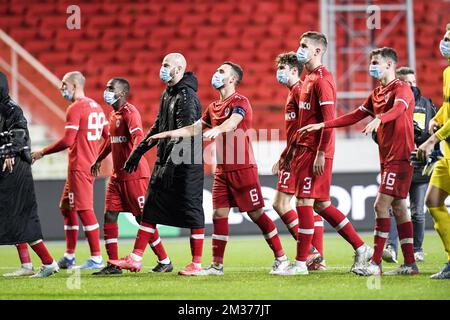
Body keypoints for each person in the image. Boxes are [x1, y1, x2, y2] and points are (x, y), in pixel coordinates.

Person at [147, 61, 289, 276]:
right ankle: (216, 266)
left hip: (242, 168)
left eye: (221, 71)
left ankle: (282, 258)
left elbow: (233, 123)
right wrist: (166, 134)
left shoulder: (241, 101)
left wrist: (218, 130)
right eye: (217, 70)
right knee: (218, 215)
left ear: (232, 79)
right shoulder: (212, 107)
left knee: (256, 213)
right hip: (221, 170)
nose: (216, 73)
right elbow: (193, 128)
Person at [300, 47, 419, 276]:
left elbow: (399, 108)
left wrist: (379, 120)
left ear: (389, 65)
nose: (371, 66)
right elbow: (355, 115)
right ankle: (410, 264)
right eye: (371, 62)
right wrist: (324, 124)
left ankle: (374, 264)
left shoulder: (401, 88)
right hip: (387, 157)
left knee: (380, 205)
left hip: (400, 155)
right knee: (399, 208)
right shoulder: (376, 93)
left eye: (375, 62)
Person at [276, 31, 372, 276]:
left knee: (304, 203)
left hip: (315, 151)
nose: (300, 49)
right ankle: (362, 248)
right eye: (300, 44)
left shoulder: (323, 80)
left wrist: (321, 153)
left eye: (304, 45)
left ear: (318, 51)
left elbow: (328, 122)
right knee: (321, 204)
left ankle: (301, 263)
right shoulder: (308, 79)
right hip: (305, 150)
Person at [109, 53, 205, 276]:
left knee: (193, 212)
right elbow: (158, 126)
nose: (161, 68)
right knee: (150, 209)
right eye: (162, 64)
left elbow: (187, 134)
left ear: (179, 68)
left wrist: (172, 164)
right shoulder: (167, 94)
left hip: (186, 164)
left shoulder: (187, 96)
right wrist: (138, 151)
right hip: (165, 161)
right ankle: (135, 258)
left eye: (166, 65)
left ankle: (197, 264)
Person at [90, 78, 172, 275]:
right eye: (107, 87)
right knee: (110, 214)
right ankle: (113, 264)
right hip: (117, 177)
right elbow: (111, 142)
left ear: (122, 93)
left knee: (142, 218)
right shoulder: (113, 114)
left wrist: (133, 157)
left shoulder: (130, 112)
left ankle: (165, 260)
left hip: (135, 175)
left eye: (111, 88)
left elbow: (138, 138)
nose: (106, 91)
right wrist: (98, 159)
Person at [32, 71, 107, 270]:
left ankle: (97, 258)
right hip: (88, 164)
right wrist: (97, 156)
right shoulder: (97, 107)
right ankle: (69, 255)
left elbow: (67, 140)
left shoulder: (75, 108)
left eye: (64, 84)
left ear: (74, 86)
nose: (61, 88)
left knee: (84, 210)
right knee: (66, 207)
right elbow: (107, 135)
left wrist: (42, 152)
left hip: (79, 166)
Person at [0, 72, 59, 278]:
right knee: (14, 217)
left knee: (21, 217)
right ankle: (27, 265)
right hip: (9, 169)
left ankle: (48, 262)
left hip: (16, 170)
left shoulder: (10, 108)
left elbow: (20, 132)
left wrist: (9, 151)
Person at [272, 52, 326, 270]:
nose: (279, 73)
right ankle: (316, 257)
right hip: (298, 152)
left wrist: (287, 155)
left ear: (294, 70)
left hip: (299, 154)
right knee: (311, 206)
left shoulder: (298, 91)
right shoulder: (295, 91)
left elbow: (303, 130)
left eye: (282, 69)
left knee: (282, 203)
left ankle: (311, 252)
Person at [382, 67, 437, 264]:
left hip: (420, 167)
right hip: (397, 164)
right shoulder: (391, 104)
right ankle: (391, 248)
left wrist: (422, 141)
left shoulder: (427, 105)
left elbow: (435, 133)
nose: (412, 86)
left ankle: (417, 249)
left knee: (417, 211)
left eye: (413, 82)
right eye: (407, 83)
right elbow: (377, 133)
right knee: (394, 208)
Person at [415, 23, 450, 279]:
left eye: (448, 38)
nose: (444, 42)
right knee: (433, 202)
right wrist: (436, 117)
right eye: (445, 37)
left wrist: (431, 140)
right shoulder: (448, 72)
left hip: (443, 145)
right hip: (448, 154)